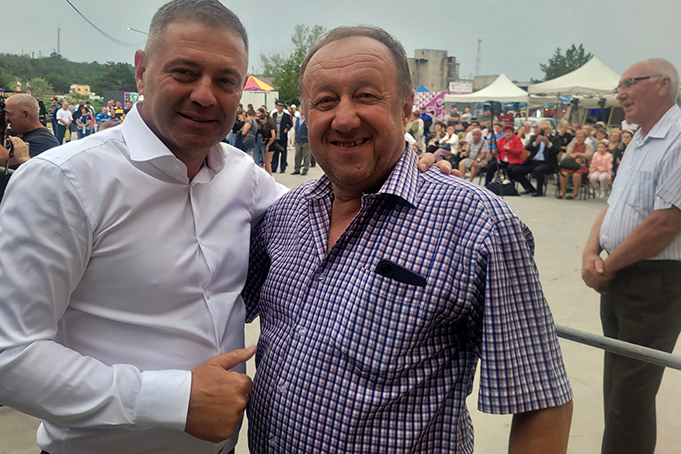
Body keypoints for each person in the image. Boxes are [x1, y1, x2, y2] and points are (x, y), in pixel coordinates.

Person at [0, 0, 449, 454]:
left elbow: (336, 213)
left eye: (225, 80)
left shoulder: (244, 179)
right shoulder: (63, 182)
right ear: (142, 70)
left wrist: (414, 170)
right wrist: (174, 399)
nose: (204, 95)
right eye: (185, 72)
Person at [242, 25, 573, 454]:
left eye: (366, 96)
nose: (344, 118)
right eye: (325, 101)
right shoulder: (283, 216)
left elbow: (541, 400)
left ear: (405, 108)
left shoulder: (475, 223)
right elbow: (210, 305)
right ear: (306, 114)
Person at [582, 58, 681, 454]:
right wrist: (591, 251)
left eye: (628, 84)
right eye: (618, 87)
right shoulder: (639, 139)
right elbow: (615, 203)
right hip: (620, 275)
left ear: (662, 85)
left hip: (654, 282)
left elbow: (666, 223)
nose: (620, 94)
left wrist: (607, 264)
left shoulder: (678, 138)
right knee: (618, 389)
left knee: (631, 397)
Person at [0, 94, 59, 206]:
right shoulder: (19, 133)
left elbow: (1, 159)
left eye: (9, 114)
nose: (6, 118)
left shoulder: (43, 140)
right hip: (8, 206)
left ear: (26, 114)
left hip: (25, 208)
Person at [509, 120, 563, 196]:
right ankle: (529, 188)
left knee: (538, 170)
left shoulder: (554, 139)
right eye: (542, 129)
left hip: (547, 162)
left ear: (549, 129)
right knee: (516, 170)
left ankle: (539, 191)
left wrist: (548, 144)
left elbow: (557, 151)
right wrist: (536, 143)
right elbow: (528, 148)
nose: (544, 131)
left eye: (545, 129)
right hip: (534, 160)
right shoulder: (534, 137)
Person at [557, 129, 593, 199]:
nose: (579, 139)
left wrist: (578, 154)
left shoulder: (588, 146)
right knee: (564, 173)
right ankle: (563, 191)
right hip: (570, 164)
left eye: (581, 137)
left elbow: (588, 156)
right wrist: (573, 157)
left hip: (582, 166)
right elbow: (568, 153)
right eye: (577, 137)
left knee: (576, 174)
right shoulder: (572, 144)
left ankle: (575, 192)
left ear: (585, 138)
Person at [270, 100, 291, 173]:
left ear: (283, 107)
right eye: (278, 106)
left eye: (280, 106)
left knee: (283, 152)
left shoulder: (286, 116)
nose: (278, 107)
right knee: (275, 153)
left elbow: (290, 124)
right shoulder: (274, 114)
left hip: (282, 136)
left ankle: (282, 168)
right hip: (276, 136)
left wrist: (287, 129)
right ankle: (274, 167)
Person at [291, 104, 310, 175]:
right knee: (297, 155)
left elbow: (310, 130)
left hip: (306, 140)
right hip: (299, 139)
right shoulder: (298, 119)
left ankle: (305, 169)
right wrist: (294, 139)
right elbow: (296, 130)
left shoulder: (308, 119)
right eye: (299, 108)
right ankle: (297, 169)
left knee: (306, 156)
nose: (300, 110)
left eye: (302, 108)